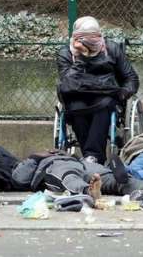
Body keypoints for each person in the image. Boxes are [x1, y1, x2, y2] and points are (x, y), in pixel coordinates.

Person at [57, 16, 138, 164]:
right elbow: (66, 84)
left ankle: (92, 157)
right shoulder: (66, 54)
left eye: (93, 38)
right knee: (76, 108)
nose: (89, 42)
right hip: (77, 96)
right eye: (83, 39)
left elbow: (131, 78)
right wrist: (81, 58)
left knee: (104, 106)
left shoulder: (111, 49)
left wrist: (123, 92)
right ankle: (93, 157)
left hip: (105, 97)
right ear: (76, 38)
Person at [11, 150, 143, 199]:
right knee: (69, 176)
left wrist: (65, 154)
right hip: (57, 168)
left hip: (84, 164)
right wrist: (35, 157)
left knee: (115, 180)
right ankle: (88, 190)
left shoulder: (65, 155)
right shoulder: (41, 161)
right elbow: (19, 179)